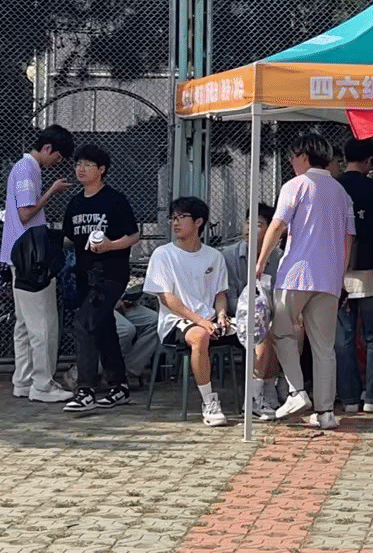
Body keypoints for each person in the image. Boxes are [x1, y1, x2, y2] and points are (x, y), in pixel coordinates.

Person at [257, 133, 356, 430]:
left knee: (281, 330)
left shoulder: (296, 185)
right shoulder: (342, 192)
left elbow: (278, 224)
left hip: (296, 272)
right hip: (329, 277)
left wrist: (261, 261)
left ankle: (297, 391)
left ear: (303, 156)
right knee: (324, 347)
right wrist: (340, 275)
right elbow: (349, 238)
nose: (291, 162)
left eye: (292, 157)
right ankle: (326, 412)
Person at [61, 144, 141, 413]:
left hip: (111, 274)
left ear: (102, 169)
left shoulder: (115, 200)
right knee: (103, 328)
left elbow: (133, 236)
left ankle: (85, 390)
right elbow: (69, 238)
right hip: (84, 276)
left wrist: (109, 246)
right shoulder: (75, 202)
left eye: (88, 164)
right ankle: (119, 386)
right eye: (78, 164)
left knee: (84, 324)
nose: (81, 169)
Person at [143, 196, 234, 426]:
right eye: (173, 217)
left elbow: (220, 294)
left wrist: (221, 315)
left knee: (256, 331)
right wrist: (200, 321)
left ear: (198, 222)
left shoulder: (214, 256)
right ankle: (209, 402)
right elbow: (166, 298)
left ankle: (261, 394)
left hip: (210, 320)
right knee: (200, 336)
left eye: (181, 217)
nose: (175, 222)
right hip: (177, 322)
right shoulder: (163, 254)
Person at [3, 124, 75, 404]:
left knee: (24, 323)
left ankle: (23, 380)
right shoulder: (28, 169)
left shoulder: (23, 168)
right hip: (31, 258)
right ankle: (42, 384)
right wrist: (52, 192)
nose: (56, 162)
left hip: (19, 256)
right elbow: (26, 213)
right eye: (57, 156)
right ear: (47, 148)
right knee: (43, 323)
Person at [335, 137, 373, 414]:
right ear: (369, 161)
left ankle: (349, 398)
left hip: (336, 273)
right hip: (369, 270)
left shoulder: (333, 187)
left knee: (342, 338)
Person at [224, 204, 282, 420]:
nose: (249, 228)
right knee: (261, 328)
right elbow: (227, 296)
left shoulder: (279, 258)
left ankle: (274, 386)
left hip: (270, 313)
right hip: (235, 316)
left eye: (257, 224)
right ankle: (255, 398)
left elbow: (279, 295)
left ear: (270, 230)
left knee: (291, 326)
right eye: (248, 222)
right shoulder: (228, 256)